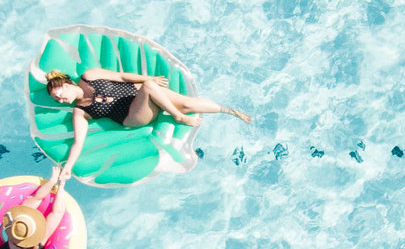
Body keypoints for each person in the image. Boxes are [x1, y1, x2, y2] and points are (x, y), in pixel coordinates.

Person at [43, 66, 252, 181]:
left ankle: (229, 111)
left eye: (59, 94)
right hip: (134, 116)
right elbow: (78, 143)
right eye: (56, 100)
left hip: (137, 92)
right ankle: (178, 116)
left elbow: (121, 76)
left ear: (67, 83)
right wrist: (68, 167)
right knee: (150, 88)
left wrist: (146, 77)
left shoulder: (89, 76)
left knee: (187, 103)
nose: (60, 100)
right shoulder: (81, 112)